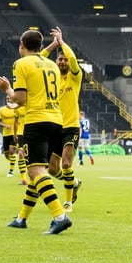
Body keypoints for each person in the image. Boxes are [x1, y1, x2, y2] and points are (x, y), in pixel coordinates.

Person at [0, 29, 72, 235]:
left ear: (21, 44)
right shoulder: (52, 64)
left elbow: (20, 99)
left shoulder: (21, 64)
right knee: (40, 172)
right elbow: (40, 60)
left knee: (35, 171)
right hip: (57, 121)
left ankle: (59, 216)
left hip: (36, 121)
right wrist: (54, 45)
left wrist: (7, 89)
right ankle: (22, 218)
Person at [40, 27, 83, 212]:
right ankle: (73, 182)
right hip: (55, 127)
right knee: (52, 169)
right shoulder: (52, 79)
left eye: (65, 59)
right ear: (56, 62)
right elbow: (40, 58)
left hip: (71, 127)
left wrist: (63, 43)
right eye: (60, 59)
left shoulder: (75, 78)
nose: (64, 61)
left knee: (66, 163)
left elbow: (73, 59)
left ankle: (67, 202)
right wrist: (53, 44)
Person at [0, 97, 18, 177]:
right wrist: (5, 125)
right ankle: (13, 160)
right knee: (7, 154)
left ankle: (11, 171)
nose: (8, 99)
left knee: (12, 151)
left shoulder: (17, 109)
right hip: (5, 134)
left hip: (15, 133)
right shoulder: (1, 109)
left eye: (10, 98)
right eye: (7, 98)